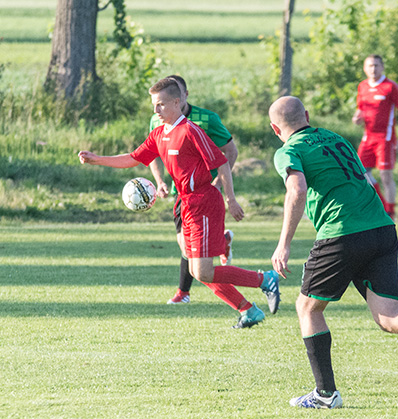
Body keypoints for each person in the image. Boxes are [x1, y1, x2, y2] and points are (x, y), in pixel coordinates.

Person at [269, 96, 398, 409]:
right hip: (381, 228)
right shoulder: (336, 138)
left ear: (276, 128)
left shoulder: (288, 150)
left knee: (307, 308)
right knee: (388, 316)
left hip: (341, 233)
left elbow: (297, 189)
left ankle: (325, 394)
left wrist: (283, 242)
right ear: (308, 115)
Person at [78, 77, 280, 328]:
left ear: (177, 102)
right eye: (154, 105)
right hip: (186, 204)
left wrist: (231, 199)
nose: (156, 110)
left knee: (203, 271)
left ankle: (264, 280)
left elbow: (222, 163)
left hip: (205, 203)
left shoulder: (191, 131)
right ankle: (248, 310)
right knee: (197, 270)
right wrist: (97, 159)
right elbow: (133, 158)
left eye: (161, 105)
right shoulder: (159, 134)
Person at [148, 75, 239, 306]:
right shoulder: (157, 120)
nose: (159, 107)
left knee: (190, 251)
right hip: (181, 194)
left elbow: (229, 152)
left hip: (203, 194)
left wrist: (219, 184)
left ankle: (183, 292)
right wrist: (159, 181)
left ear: (183, 96)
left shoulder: (205, 120)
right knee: (188, 249)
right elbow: (151, 154)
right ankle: (221, 241)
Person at [352, 54, 398, 220]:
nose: (373, 69)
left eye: (376, 65)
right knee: (360, 172)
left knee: (386, 176)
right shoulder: (362, 86)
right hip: (368, 137)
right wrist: (357, 117)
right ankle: (382, 205)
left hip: (385, 137)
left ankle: (390, 211)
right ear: (364, 68)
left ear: (382, 67)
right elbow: (361, 108)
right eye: (370, 66)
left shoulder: (390, 87)